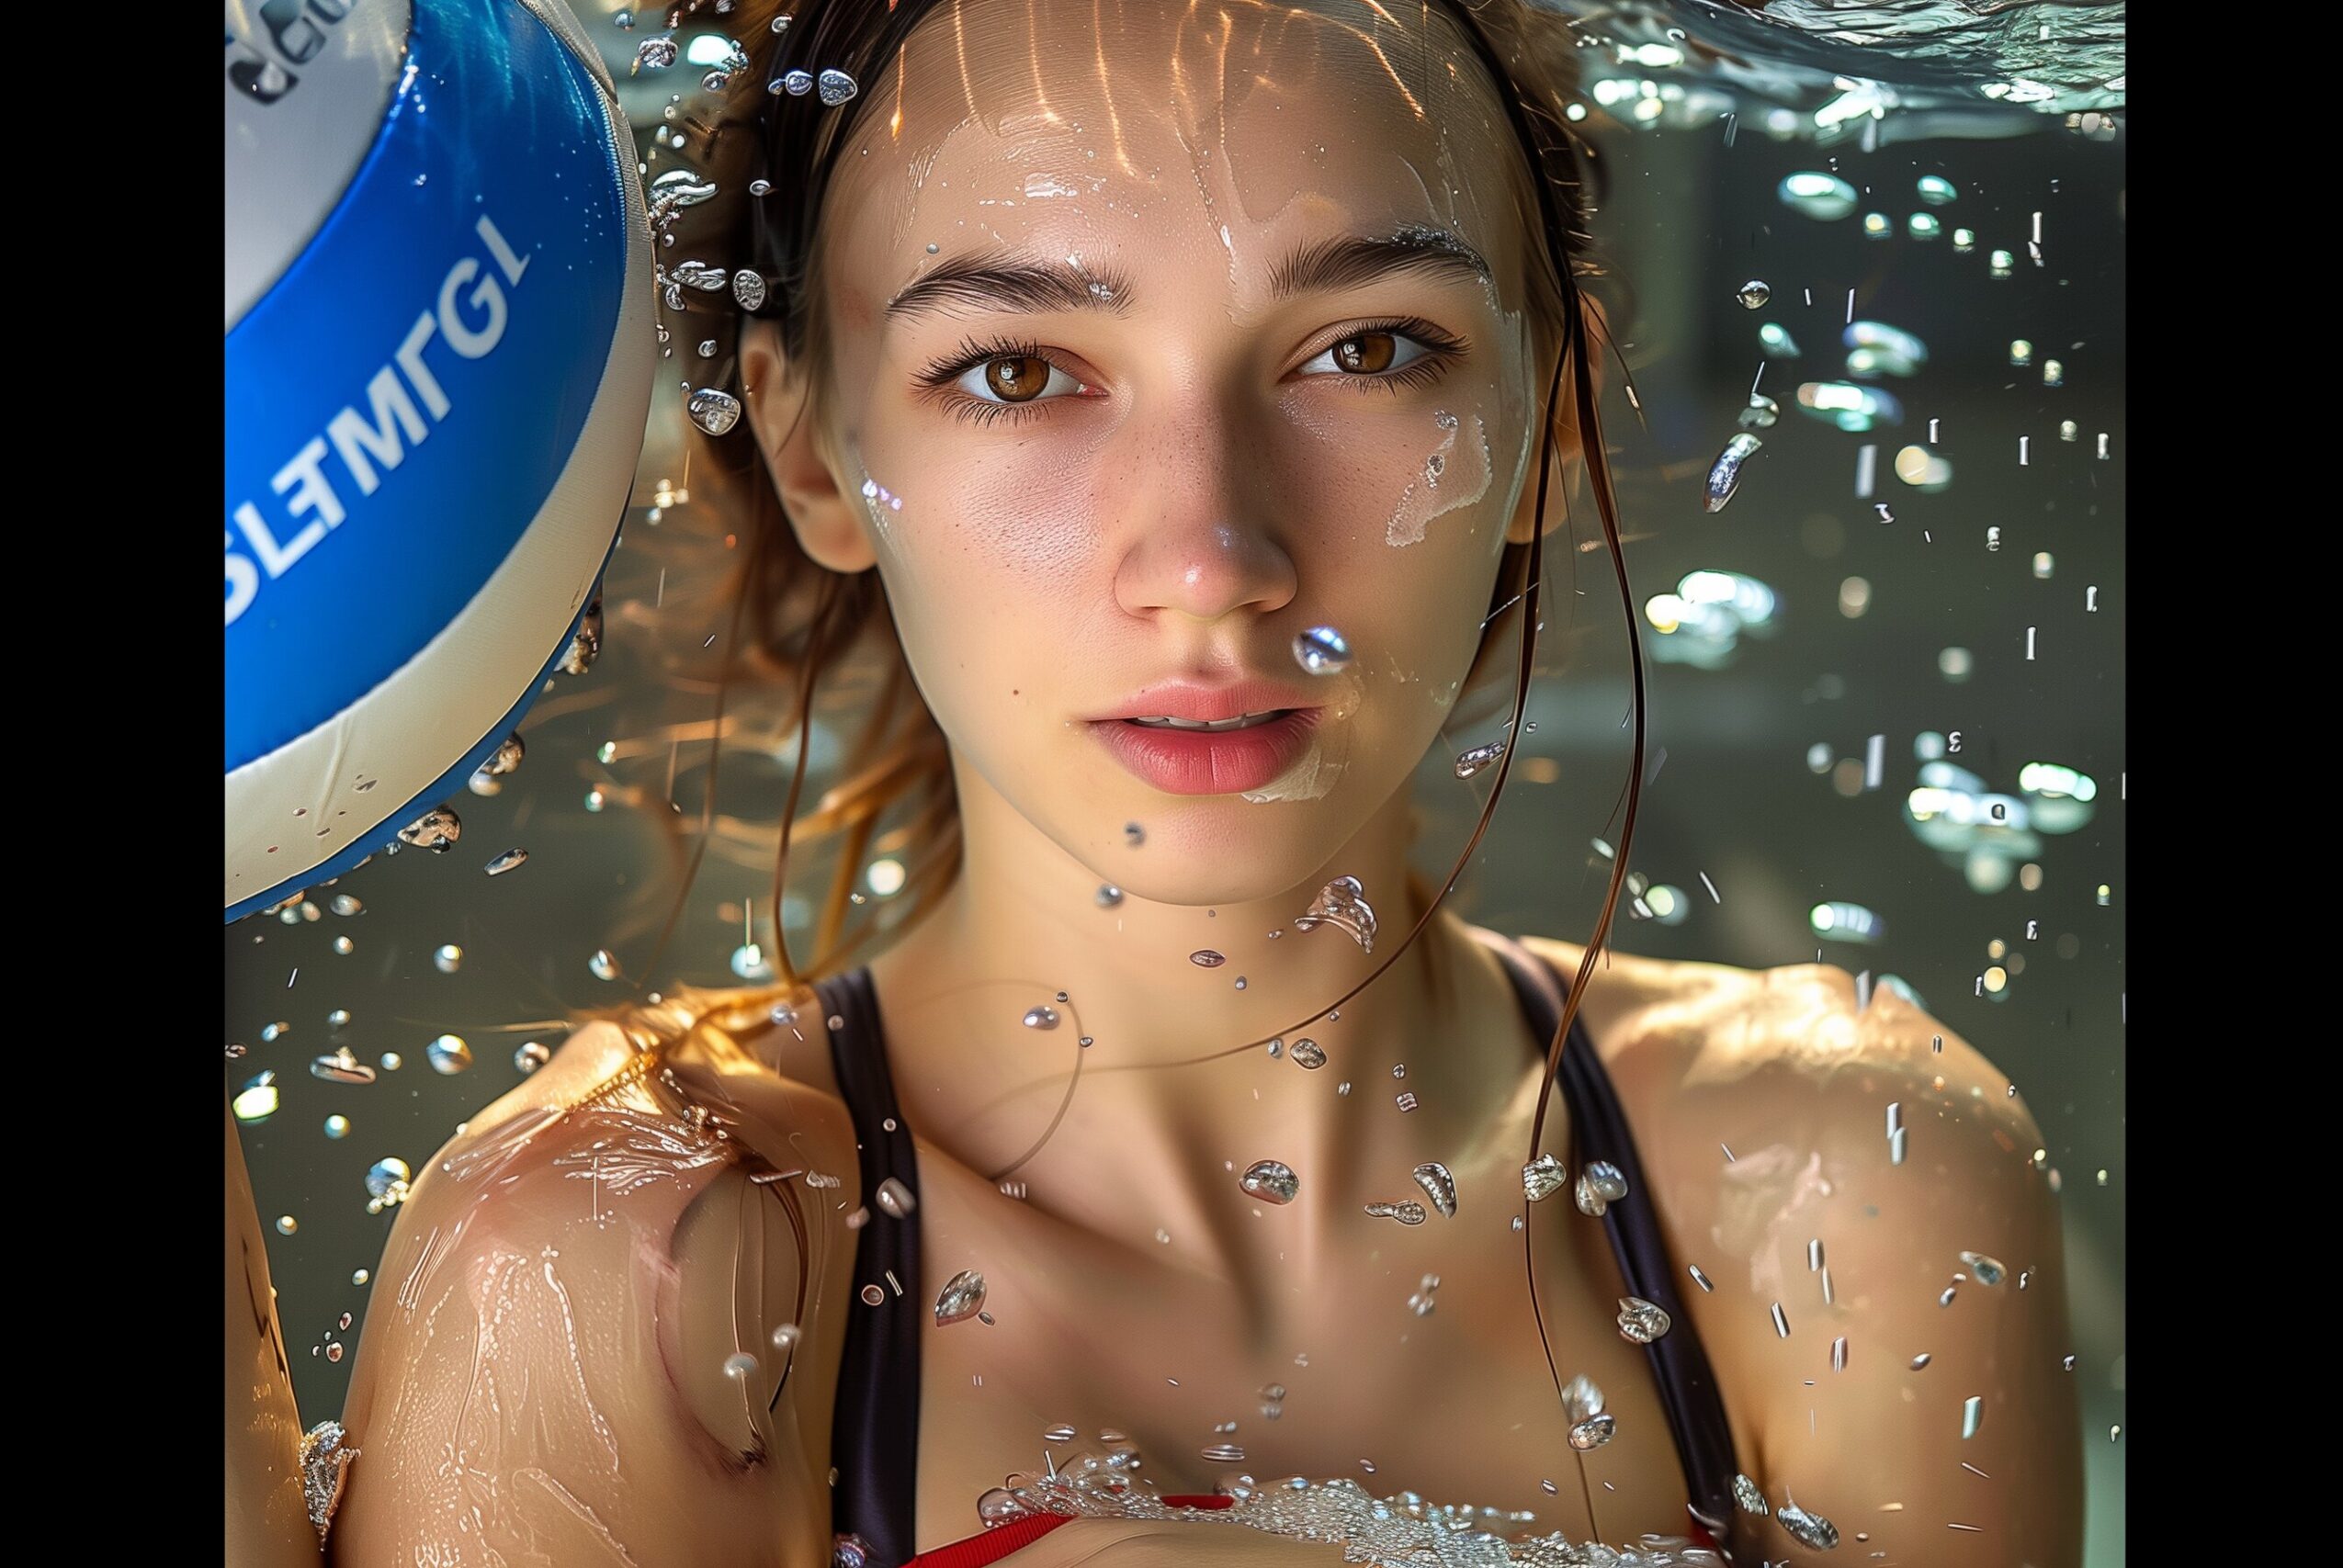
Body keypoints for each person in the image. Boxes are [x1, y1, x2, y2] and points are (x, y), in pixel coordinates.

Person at [223, 0, 2086, 1562]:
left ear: (1545, 419)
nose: (1209, 551)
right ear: (808, 449)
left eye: (1368, 349)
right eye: (1020, 367)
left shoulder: (1844, 1185)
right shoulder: (626, 1255)